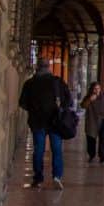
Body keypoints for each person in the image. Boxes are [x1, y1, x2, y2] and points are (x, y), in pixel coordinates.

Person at [18, 59, 72, 189]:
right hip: (55, 122)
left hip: (37, 122)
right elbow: (68, 100)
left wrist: (35, 110)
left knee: (38, 151)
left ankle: (38, 178)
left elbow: (23, 103)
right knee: (57, 150)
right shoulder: (57, 82)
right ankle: (57, 176)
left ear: (37, 68)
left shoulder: (30, 83)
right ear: (49, 67)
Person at [81, 81, 104, 163]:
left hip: (103, 120)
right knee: (91, 138)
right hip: (92, 120)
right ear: (92, 89)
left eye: (98, 88)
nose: (97, 90)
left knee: (103, 138)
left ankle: (102, 156)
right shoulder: (88, 97)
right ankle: (91, 155)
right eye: (95, 89)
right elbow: (83, 105)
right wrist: (89, 100)